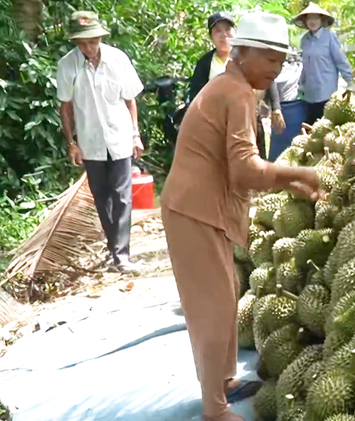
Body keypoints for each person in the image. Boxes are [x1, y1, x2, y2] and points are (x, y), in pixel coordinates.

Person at [159, 11, 324, 421]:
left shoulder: (233, 87)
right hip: (190, 209)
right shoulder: (233, 92)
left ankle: (225, 379)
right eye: (269, 59)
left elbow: (237, 166)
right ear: (244, 52)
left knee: (227, 290)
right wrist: (299, 173)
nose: (275, 69)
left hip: (203, 206)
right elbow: (245, 169)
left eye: (281, 61)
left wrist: (288, 182)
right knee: (211, 307)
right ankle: (215, 409)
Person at [56, 11, 144, 275]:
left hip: (119, 137)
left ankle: (122, 255)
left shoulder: (118, 60)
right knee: (102, 197)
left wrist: (135, 134)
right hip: (90, 141)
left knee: (122, 196)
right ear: (75, 42)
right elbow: (66, 108)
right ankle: (114, 248)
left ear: (100, 37)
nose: (88, 48)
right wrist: (71, 143)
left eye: (92, 41)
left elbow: (130, 100)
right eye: (82, 43)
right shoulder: (67, 65)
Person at [187, 11, 286, 157]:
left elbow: (269, 79)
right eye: (218, 31)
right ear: (211, 37)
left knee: (255, 152)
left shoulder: (250, 59)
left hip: (251, 114)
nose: (224, 35)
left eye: (227, 29)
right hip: (219, 121)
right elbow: (196, 92)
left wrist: (276, 108)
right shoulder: (206, 63)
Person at [293, 2, 355, 125]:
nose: (312, 21)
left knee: (326, 129)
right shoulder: (305, 40)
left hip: (326, 92)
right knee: (311, 131)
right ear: (305, 21)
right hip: (309, 94)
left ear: (322, 20)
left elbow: (340, 60)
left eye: (315, 17)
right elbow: (304, 66)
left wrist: (350, 81)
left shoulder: (329, 37)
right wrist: (300, 84)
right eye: (309, 18)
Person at [267, 54, 306, 161]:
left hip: (297, 106)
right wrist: (276, 108)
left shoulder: (300, 64)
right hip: (285, 108)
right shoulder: (274, 66)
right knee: (279, 153)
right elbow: (271, 80)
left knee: (296, 152)